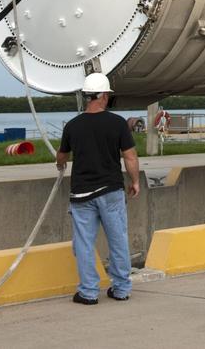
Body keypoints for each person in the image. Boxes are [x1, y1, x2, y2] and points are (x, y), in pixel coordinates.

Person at [56, 72, 140, 305]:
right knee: (118, 240)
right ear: (103, 95)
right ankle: (121, 289)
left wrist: (60, 163)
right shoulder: (117, 123)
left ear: (86, 96)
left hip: (81, 194)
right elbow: (130, 157)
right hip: (111, 192)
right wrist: (135, 181)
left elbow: (62, 155)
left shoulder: (72, 125)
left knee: (83, 244)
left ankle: (88, 292)